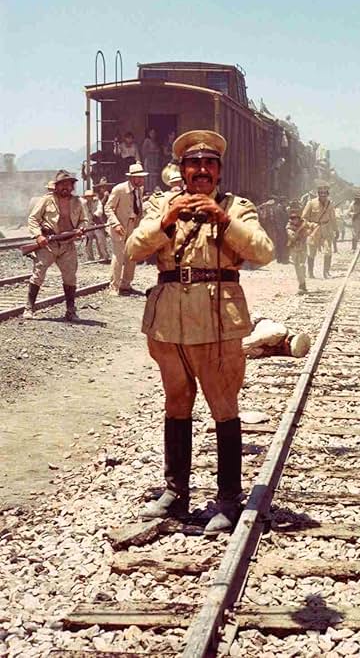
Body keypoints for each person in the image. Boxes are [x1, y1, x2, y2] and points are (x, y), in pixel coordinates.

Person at [126, 129, 273, 535]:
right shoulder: (161, 204)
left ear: (219, 172)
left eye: (210, 164)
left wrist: (224, 221)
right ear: (182, 170)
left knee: (223, 404)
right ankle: (176, 493)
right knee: (176, 401)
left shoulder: (237, 207)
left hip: (217, 317)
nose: (202, 171)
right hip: (169, 318)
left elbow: (263, 251)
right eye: (194, 164)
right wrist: (167, 221)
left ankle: (227, 499)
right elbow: (134, 248)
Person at [24, 170, 88, 321]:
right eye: (62, 184)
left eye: (69, 184)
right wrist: (38, 235)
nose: (66, 187)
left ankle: (70, 311)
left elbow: (84, 221)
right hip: (48, 244)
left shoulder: (78, 202)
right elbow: (33, 219)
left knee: (70, 278)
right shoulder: (46, 200)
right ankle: (28, 308)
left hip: (68, 245)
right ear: (56, 186)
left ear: (72, 186)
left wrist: (81, 229)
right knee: (38, 275)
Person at [105, 163, 148, 295]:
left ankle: (126, 284)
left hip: (133, 225)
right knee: (119, 256)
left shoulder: (139, 190)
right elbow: (108, 208)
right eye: (138, 177)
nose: (141, 180)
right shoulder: (119, 189)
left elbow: (138, 206)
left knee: (131, 256)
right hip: (120, 226)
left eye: (142, 177)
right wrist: (116, 224)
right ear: (131, 178)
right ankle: (114, 286)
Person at [301, 181, 337, 279]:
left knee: (328, 251)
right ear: (318, 193)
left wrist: (335, 230)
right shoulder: (311, 203)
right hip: (314, 230)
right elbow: (303, 218)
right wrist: (311, 225)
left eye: (325, 194)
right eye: (321, 193)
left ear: (327, 194)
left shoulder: (330, 204)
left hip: (326, 229)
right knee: (311, 252)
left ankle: (326, 272)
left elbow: (333, 218)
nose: (323, 195)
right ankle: (310, 272)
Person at [286, 200, 316, 294]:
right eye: (292, 218)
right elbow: (293, 237)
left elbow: (314, 226)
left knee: (302, 266)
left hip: (302, 248)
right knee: (297, 268)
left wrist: (310, 231)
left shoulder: (304, 224)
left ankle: (302, 284)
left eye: (296, 218)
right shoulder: (289, 227)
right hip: (294, 248)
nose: (294, 219)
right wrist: (300, 230)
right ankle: (301, 284)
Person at [82, 189, 110, 262]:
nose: (89, 198)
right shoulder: (83, 204)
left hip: (97, 223)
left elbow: (100, 210)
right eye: (87, 196)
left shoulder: (97, 202)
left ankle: (104, 256)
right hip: (88, 224)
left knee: (101, 240)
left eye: (90, 196)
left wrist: (95, 215)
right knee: (88, 241)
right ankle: (90, 258)